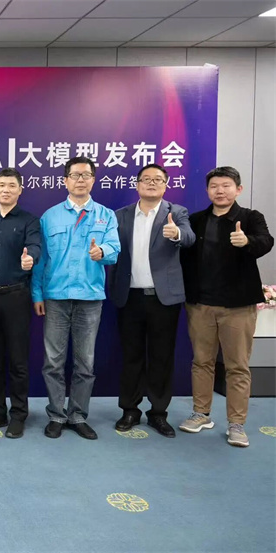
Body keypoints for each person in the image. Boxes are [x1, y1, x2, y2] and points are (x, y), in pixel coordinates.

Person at [179, 166, 273, 447]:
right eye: (214, 186)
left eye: (226, 185)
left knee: (237, 366)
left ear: (238, 189)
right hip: (201, 305)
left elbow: (266, 242)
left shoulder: (251, 218)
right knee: (201, 362)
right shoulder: (196, 220)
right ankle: (201, 413)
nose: (220, 191)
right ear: (207, 191)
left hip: (237, 307)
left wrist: (247, 241)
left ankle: (236, 423)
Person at [32, 156, 120, 440]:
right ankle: (57, 415)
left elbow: (115, 249)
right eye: (75, 175)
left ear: (93, 179)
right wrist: (37, 293)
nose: (80, 180)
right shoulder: (50, 216)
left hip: (89, 298)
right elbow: (41, 259)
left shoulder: (106, 215)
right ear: (65, 180)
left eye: (86, 175)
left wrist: (101, 252)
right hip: (56, 297)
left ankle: (78, 415)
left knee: (85, 362)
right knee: (53, 362)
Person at [108, 163, 195, 438]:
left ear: (166, 185)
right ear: (137, 185)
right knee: (131, 356)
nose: (152, 183)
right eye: (146, 179)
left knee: (161, 357)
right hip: (129, 296)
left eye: (158, 179)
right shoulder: (120, 215)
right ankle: (130, 410)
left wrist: (177, 233)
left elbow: (189, 237)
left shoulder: (176, 213)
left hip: (163, 298)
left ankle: (158, 413)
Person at [0, 168, 40, 439]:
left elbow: (35, 247)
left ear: (20, 190)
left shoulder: (29, 221)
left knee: (17, 361)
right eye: (1, 185)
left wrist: (30, 259)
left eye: (11, 185)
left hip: (16, 297)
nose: (6, 189)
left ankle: (18, 414)